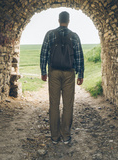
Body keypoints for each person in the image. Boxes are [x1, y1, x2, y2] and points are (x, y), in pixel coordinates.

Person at [40, 11, 84, 145]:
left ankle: (54, 137)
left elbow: (44, 53)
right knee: (68, 105)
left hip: (54, 72)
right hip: (69, 73)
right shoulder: (74, 36)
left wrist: (43, 71)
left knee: (54, 104)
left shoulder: (50, 34)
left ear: (58, 20)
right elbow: (79, 56)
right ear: (68, 21)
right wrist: (80, 74)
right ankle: (66, 136)